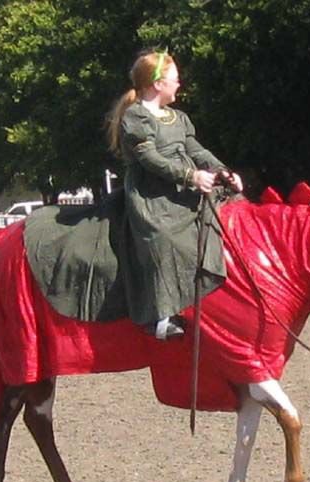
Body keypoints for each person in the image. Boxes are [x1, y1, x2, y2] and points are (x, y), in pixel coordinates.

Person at [106, 49, 243, 340]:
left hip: (184, 191)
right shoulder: (136, 117)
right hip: (152, 198)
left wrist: (223, 172)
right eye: (175, 79)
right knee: (163, 240)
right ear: (158, 84)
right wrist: (191, 176)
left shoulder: (178, 117)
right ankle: (160, 318)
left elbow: (196, 150)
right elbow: (151, 160)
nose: (179, 84)